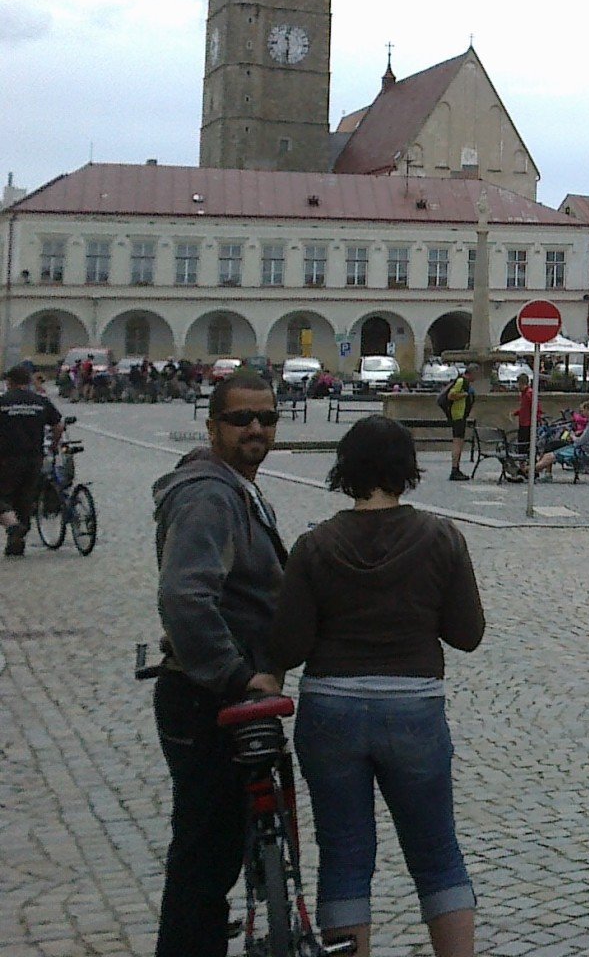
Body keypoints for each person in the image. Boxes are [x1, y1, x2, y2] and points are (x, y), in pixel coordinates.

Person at [267, 416, 485, 957]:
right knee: (437, 854)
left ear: (345, 469)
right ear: (408, 471)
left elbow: (289, 645)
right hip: (413, 707)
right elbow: (467, 634)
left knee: (343, 858)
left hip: (332, 708)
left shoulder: (314, 546)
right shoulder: (441, 538)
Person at [151, 375, 288, 957]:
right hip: (207, 699)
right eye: (241, 419)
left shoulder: (234, 488)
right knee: (204, 861)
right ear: (212, 428)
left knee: (213, 855)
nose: (256, 428)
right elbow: (185, 597)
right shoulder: (210, 495)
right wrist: (238, 675)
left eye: (267, 417)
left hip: (219, 697)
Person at [0, 363, 63, 555]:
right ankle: (17, 544)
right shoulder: (40, 401)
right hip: (35, 458)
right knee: (24, 500)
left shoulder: (3, 402)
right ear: (27, 382)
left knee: (3, 496)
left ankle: (12, 527)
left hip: (7, 458)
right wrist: (53, 445)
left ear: (9, 382)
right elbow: (58, 425)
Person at [439, 370, 475, 481]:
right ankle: (455, 469)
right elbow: (451, 395)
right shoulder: (461, 381)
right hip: (458, 416)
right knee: (458, 443)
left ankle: (456, 468)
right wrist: (465, 394)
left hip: (459, 416)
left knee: (459, 442)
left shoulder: (463, 381)